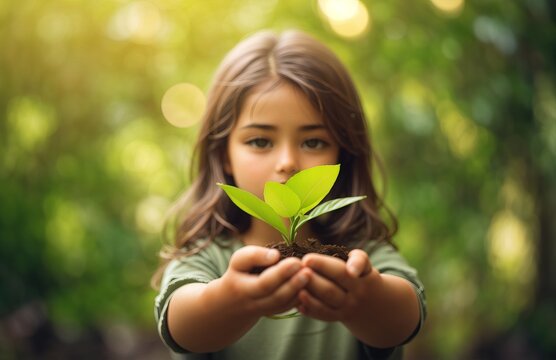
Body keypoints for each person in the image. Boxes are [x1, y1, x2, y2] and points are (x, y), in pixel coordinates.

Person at [153, 29, 426, 360]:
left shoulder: (358, 257)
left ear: (343, 152)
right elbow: (181, 322)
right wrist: (231, 299)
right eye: (260, 141)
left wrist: (362, 299)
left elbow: (404, 316)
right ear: (224, 153)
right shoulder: (208, 259)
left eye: (313, 142)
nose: (287, 163)